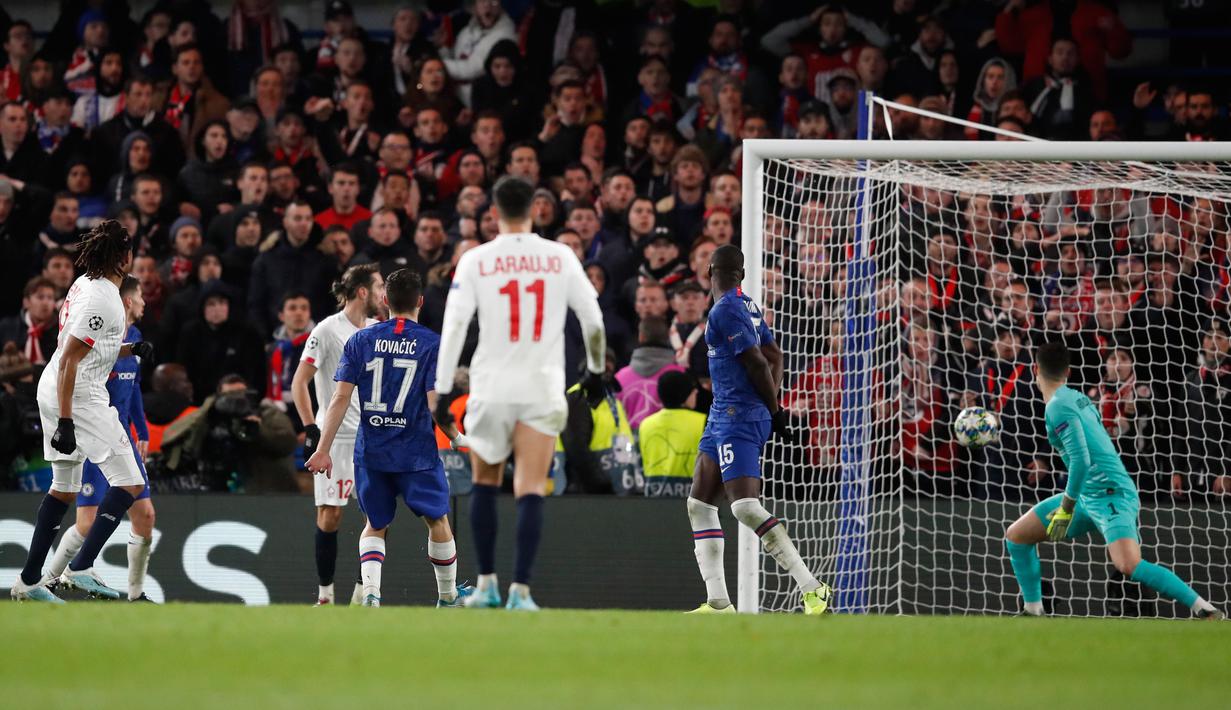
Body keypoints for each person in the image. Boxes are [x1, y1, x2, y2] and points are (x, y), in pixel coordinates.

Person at [434, 176, 607, 610]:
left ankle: (487, 584)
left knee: (485, 483)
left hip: (491, 388)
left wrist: (439, 392)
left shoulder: (476, 259)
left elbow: (454, 326)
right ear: (535, 209)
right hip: (541, 388)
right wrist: (597, 370)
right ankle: (522, 592)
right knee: (531, 486)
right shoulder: (560, 257)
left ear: (493, 211)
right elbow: (593, 320)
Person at [1004, 340, 1223, 619]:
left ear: (1036, 370)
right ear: (1069, 372)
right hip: (1088, 493)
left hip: (1110, 494)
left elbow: (1082, 460)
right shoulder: (1077, 397)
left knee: (1128, 564)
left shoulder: (1057, 406)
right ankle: (1033, 611)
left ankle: (1204, 609)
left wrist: (1066, 508)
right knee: (1017, 536)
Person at [305, 269, 473, 609]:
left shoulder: (360, 340)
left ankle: (370, 594)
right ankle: (447, 596)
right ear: (421, 302)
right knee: (437, 519)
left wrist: (323, 451)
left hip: (372, 450)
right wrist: (455, 437)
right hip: (416, 453)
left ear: (385, 300)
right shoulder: (430, 343)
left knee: (374, 524)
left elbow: (339, 399)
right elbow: (434, 404)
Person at [11, 220, 153, 602]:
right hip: (78, 394)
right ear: (125, 257)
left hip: (58, 386)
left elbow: (80, 348)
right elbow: (73, 359)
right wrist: (68, 421)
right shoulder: (104, 299)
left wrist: (127, 350)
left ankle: (27, 582)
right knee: (128, 481)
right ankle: (80, 568)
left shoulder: (85, 283)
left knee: (64, 488)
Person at [685, 244, 830, 615]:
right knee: (699, 504)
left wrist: (773, 408)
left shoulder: (728, 310)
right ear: (742, 274)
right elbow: (776, 355)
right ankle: (718, 604)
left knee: (745, 506)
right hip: (722, 414)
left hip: (740, 415)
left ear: (709, 269)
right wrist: (773, 406)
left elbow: (758, 362)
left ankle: (812, 588)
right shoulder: (745, 304)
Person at [45, 275, 156, 602]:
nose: (145, 302)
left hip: (123, 437)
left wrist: (143, 431)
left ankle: (136, 595)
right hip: (95, 435)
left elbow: (133, 390)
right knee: (86, 522)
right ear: (127, 302)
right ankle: (50, 580)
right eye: (140, 296)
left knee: (146, 515)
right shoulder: (100, 336)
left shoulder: (134, 338)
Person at [293, 264, 384, 606]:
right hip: (337, 438)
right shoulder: (328, 330)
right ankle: (326, 595)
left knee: (376, 514)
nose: (382, 295)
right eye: (377, 288)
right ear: (362, 292)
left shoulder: (379, 329)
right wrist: (310, 429)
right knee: (330, 516)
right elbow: (299, 382)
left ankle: (363, 593)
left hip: (371, 437)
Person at [640, 370, 706, 498]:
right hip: (692, 496)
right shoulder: (703, 421)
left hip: (653, 498)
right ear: (683, 394)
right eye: (692, 389)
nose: (696, 392)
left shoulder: (645, 424)